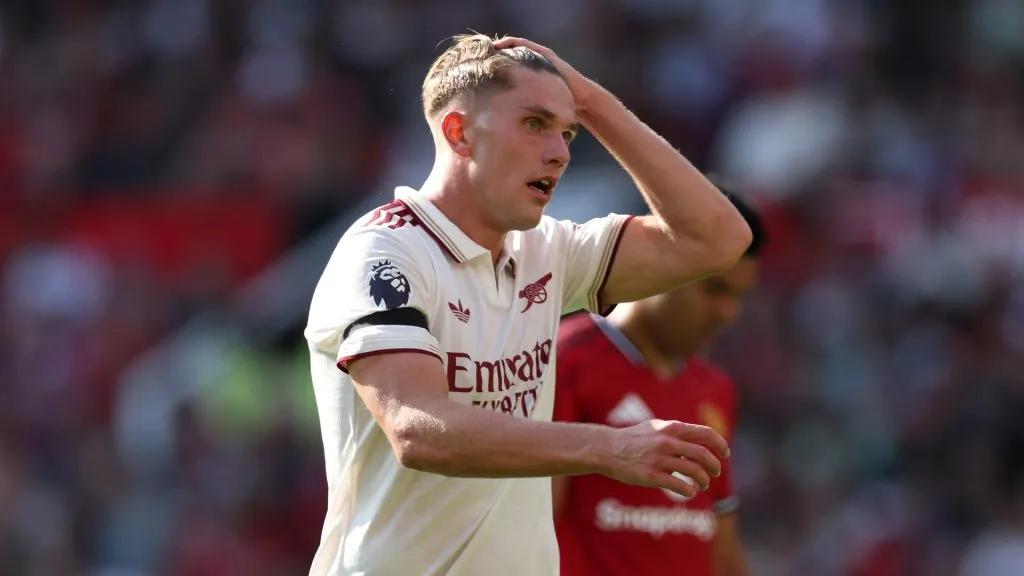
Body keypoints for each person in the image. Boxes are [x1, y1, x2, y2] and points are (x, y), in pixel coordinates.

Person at [303, 33, 752, 576]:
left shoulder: (546, 251)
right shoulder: (383, 255)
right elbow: (418, 429)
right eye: (535, 124)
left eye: (568, 133)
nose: (560, 152)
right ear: (459, 132)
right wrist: (609, 448)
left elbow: (719, 239)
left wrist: (592, 102)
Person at [552, 186, 765, 576]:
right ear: (660, 261)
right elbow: (533, 526)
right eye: (713, 288)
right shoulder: (564, 363)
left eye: (739, 296)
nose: (726, 313)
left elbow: (721, 540)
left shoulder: (715, 390)